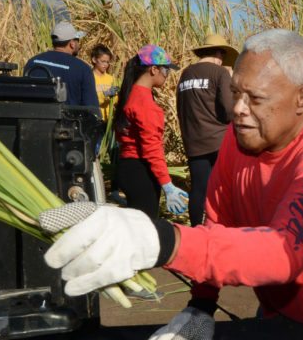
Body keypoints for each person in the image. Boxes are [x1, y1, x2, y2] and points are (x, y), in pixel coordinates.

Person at [39, 29, 303, 340]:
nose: (238, 109)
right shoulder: (239, 143)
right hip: (278, 307)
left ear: (302, 98)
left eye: (255, 98)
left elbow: (282, 252)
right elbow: (219, 222)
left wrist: (163, 240)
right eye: (236, 93)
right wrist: (202, 303)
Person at [112, 44, 188, 219]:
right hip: (141, 172)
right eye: (166, 70)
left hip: (127, 167)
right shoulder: (144, 103)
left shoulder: (129, 94)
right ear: (154, 69)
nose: (167, 76)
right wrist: (167, 185)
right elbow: (152, 149)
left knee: (135, 223)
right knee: (145, 226)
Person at [176, 33, 237, 226]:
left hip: (193, 141)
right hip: (218, 142)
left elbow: (180, 107)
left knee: (198, 188)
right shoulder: (219, 73)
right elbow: (229, 110)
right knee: (223, 188)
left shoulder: (186, 74)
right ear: (219, 53)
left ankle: (196, 229)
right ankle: (220, 227)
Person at [23, 21, 99, 109]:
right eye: (77, 40)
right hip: (65, 117)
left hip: (33, 116)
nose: (78, 44)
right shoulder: (83, 69)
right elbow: (92, 109)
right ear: (72, 44)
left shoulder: (33, 62)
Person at [90, 44, 118, 121]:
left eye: (107, 62)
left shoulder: (111, 79)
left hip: (109, 120)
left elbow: (116, 101)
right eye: (103, 61)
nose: (105, 65)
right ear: (94, 60)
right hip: (95, 118)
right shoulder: (89, 78)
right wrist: (105, 94)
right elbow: (91, 100)